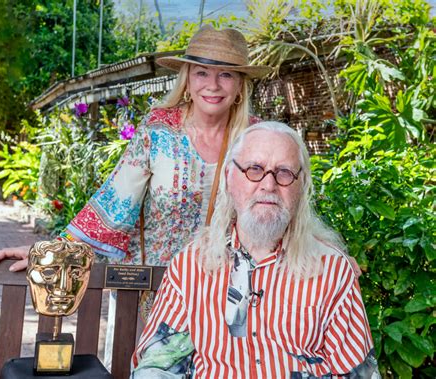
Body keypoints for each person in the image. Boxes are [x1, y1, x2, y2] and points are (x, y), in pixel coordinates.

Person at [0, 25, 271, 367]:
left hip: (231, 298)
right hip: (158, 297)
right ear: (187, 78)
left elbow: (278, 210)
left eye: (226, 74)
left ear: (239, 85)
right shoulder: (158, 132)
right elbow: (114, 202)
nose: (212, 84)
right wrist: (53, 251)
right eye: (202, 72)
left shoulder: (257, 139)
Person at [131, 121, 380, 378]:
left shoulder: (332, 269)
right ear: (229, 176)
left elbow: (358, 373)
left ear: (302, 184)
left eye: (284, 172)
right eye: (254, 169)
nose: (268, 185)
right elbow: (158, 366)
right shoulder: (190, 266)